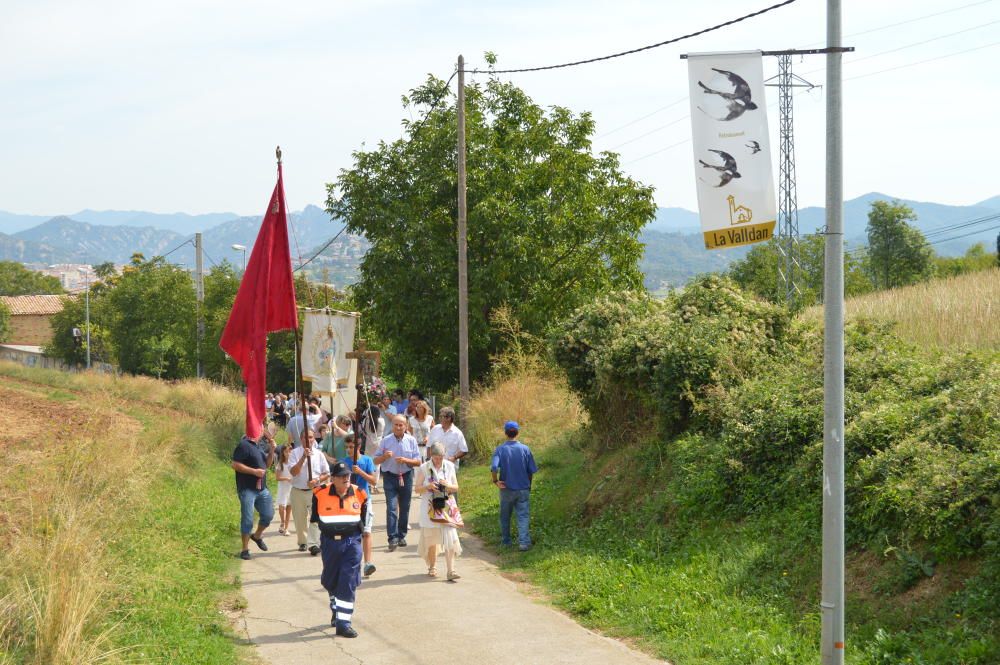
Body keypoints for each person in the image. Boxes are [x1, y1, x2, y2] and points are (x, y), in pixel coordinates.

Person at [313, 462, 367, 638]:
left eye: (348, 475)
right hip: (330, 543)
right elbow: (315, 519)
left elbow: (364, 521)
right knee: (331, 580)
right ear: (333, 478)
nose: (346, 479)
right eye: (342, 476)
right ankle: (336, 609)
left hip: (352, 543)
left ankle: (344, 623)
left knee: (348, 580)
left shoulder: (360, 494)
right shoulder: (319, 494)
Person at [373, 415, 421, 551]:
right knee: (392, 507)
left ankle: (401, 536)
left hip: (406, 476)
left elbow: (418, 461)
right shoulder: (385, 441)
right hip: (389, 477)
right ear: (392, 426)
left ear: (406, 426)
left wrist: (406, 460)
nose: (399, 427)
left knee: (405, 507)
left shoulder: (411, 441)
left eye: (401, 425)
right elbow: (375, 461)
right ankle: (392, 538)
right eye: (396, 425)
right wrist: (384, 456)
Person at [416, 442, 462, 580]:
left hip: (446, 507)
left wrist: (447, 485)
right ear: (431, 455)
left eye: (441, 457)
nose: (438, 460)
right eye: (436, 457)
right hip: (430, 507)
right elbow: (417, 489)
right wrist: (428, 486)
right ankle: (432, 566)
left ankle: (451, 570)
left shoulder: (449, 466)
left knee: (451, 538)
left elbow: (456, 487)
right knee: (431, 540)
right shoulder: (424, 468)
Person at [490, 421, 538, 551]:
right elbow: (531, 471)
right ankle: (523, 543)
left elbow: (494, 467)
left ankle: (506, 541)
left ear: (505, 433)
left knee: (505, 516)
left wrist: (495, 481)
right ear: (517, 432)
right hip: (523, 488)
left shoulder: (500, 449)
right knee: (523, 516)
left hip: (506, 489)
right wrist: (529, 485)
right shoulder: (525, 449)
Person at [230, 428, 276, 560]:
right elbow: (235, 464)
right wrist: (254, 472)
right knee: (248, 519)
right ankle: (245, 549)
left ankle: (256, 536)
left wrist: (272, 450)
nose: (263, 431)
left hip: (262, 489)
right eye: (261, 429)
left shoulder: (258, 446)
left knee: (268, 515)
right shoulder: (244, 444)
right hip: (247, 489)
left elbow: (267, 465)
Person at [288, 429, 331, 555]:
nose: (309, 440)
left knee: (315, 518)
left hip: (315, 491)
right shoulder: (294, 453)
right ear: (301, 439)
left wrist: (317, 480)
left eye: (311, 437)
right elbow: (293, 472)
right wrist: (303, 457)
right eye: (306, 438)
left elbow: (327, 473)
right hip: (298, 490)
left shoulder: (319, 454)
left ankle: (313, 543)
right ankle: (303, 542)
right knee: (299, 518)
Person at [341, 435, 378, 578]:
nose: (348, 450)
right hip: (349, 502)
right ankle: (351, 562)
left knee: (366, 532)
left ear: (358, 447)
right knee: (351, 534)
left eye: (351, 447)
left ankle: (368, 563)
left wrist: (360, 472)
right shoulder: (344, 462)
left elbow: (374, 481)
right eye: (347, 447)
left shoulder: (367, 460)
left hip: (364, 500)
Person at [274, 441, 293, 535]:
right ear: (283, 453)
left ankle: (286, 528)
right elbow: (277, 478)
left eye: (289, 451)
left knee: (289, 508)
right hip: (283, 488)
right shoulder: (280, 464)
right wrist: (286, 478)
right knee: (282, 507)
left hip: (291, 488)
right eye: (286, 452)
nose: (288, 453)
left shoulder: (293, 463)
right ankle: (282, 521)